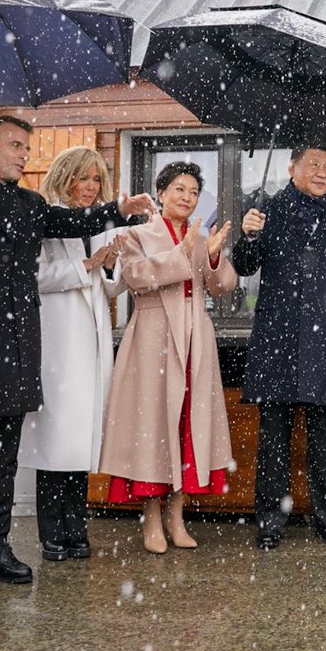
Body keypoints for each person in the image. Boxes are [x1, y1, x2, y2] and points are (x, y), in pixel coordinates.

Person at [0, 115, 154, 594]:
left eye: (27, 146)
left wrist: (118, 210)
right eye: (16, 146)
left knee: (3, 460)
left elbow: (74, 221)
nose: (25, 154)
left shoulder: (30, 203)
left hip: (17, 349)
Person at [233, 146, 326, 550]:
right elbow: (244, 266)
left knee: (325, 438)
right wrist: (248, 234)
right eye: (313, 164)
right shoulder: (266, 212)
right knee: (274, 438)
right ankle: (270, 521)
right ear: (292, 167)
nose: (322, 172)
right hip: (278, 337)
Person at [97, 161, 237, 554]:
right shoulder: (137, 234)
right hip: (153, 337)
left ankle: (177, 516)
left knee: (187, 426)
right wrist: (182, 252)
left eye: (193, 192)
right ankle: (152, 519)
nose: (186, 198)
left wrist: (212, 257)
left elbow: (222, 287)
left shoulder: (201, 236)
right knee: (153, 426)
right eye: (179, 189)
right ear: (160, 193)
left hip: (195, 339)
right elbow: (136, 277)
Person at [18, 147, 127, 562]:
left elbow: (111, 287)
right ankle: (52, 533)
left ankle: (76, 527)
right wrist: (87, 265)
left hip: (91, 345)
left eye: (97, 179)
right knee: (56, 443)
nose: (90, 187)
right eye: (83, 177)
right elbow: (35, 276)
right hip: (59, 345)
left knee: (81, 443)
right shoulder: (45, 218)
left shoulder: (99, 222)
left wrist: (110, 264)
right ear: (65, 177)